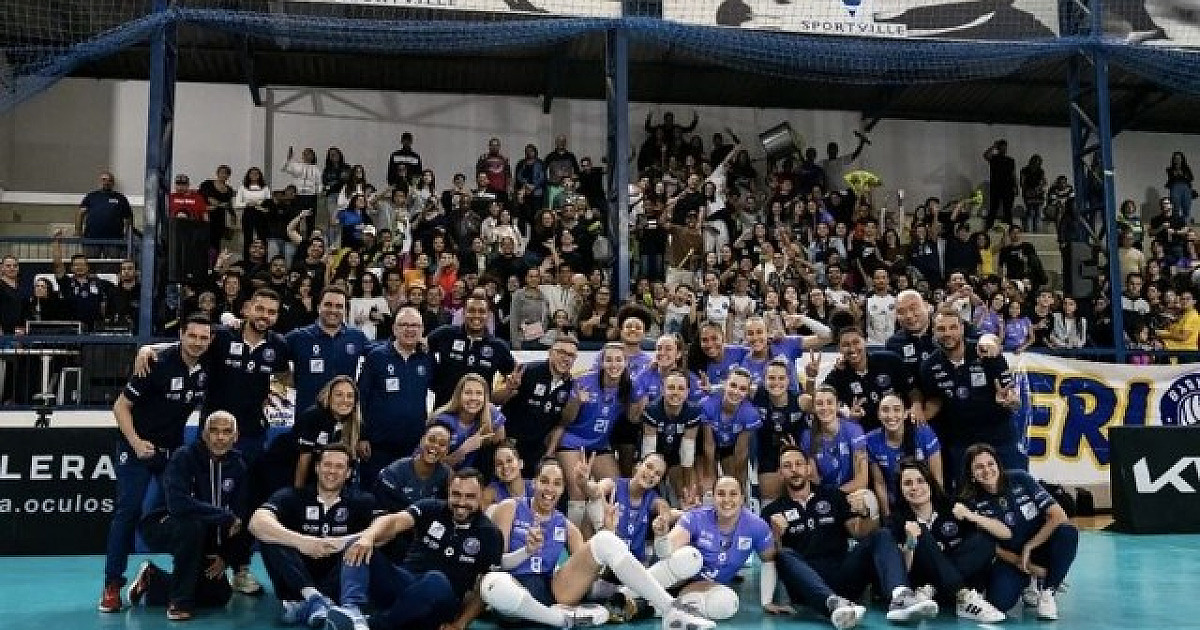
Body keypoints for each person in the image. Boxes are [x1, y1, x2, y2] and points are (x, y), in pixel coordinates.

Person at [479, 459, 714, 630]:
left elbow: (592, 573)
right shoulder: (510, 508)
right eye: (544, 481)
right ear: (534, 483)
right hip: (512, 591)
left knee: (604, 541)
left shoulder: (566, 525)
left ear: (563, 489)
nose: (550, 489)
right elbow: (499, 563)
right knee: (491, 584)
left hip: (553, 590)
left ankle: (671, 608)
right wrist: (526, 551)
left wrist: (608, 531)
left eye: (557, 483)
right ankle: (560, 620)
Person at [99, 314, 214, 614]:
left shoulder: (207, 365)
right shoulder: (156, 363)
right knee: (129, 510)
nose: (198, 342)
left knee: (181, 514)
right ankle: (112, 585)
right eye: (192, 336)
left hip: (171, 454)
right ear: (181, 335)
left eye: (204, 337)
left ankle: (172, 582)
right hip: (136, 448)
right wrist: (137, 443)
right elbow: (120, 407)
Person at [762, 446, 939, 628]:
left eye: (799, 464)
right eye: (787, 466)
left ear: (808, 468)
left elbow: (859, 532)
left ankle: (901, 597)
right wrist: (776, 535)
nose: (794, 470)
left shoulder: (832, 496)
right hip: (806, 586)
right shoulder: (771, 511)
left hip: (843, 576)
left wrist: (866, 514)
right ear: (780, 473)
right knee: (783, 554)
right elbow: (770, 559)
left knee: (882, 535)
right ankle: (833, 604)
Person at [333, 469, 504, 630]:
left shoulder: (490, 534)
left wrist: (460, 625)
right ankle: (352, 611)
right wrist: (367, 537)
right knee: (356, 543)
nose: (461, 502)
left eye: (470, 496)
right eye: (456, 494)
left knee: (435, 580)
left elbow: (485, 588)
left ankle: (375, 625)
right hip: (405, 584)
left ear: (482, 495)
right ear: (448, 492)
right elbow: (394, 520)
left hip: (442, 602)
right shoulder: (431, 508)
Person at [134, 411, 255, 621]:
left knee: (218, 595)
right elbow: (177, 504)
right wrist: (224, 516)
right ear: (204, 435)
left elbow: (241, 516)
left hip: (205, 534)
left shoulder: (239, 466)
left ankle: (152, 580)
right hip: (163, 525)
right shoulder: (184, 456)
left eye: (227, 432)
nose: (220, 437)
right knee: (192, 526)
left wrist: (225, 556)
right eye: (214, 431)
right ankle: (179, 602)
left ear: (235, 437)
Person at [249, 445, 383, 627]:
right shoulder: (292, 496)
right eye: (327, 465)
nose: (332, 471)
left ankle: (311, 605)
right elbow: (256, 522)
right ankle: (313, 599)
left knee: (369, 542)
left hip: (337, 579)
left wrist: (344, 542)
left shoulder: (363, 501)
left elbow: (386, 529)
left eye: (339, 466)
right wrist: (303, 542)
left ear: (348, 473)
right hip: (295, 581)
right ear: (317, 467)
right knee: (271, 536)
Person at [959, 443, 1079, 621]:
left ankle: (1048, 591)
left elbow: (1058, 516)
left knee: (1068, 532)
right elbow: (991, 547)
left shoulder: (1020, 479)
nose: (987, 470)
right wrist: (1024, 564)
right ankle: (1029, 582)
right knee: (999, 603)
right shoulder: (971, 501)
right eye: (979, 467)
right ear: (971, 474)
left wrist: (1030, 546)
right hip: (1011, 557)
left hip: (1041, 545)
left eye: (990, 464)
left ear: (998, 464)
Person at [889, 459, 1008, 623]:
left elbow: (1005, 533)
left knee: (986, 540)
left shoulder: (953, 506)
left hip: (933, 591)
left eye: (920, 481)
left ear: (930, 483)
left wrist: (970, 515)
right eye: (908, 483)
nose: (915, 487)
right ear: (900, 489)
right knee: (919, 531)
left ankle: (939, 590)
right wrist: (910, 541)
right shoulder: (897, 519)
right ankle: (963, 597)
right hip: (922, 583)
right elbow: (903, 569)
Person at [914, 307, 1023, 482]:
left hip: (999, 435)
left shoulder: (985, 352)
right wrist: (918, 413)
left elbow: (1013, 398)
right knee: (966, 493)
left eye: (953, 327)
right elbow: (935, 400)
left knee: (1014, 486)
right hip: (961, 442)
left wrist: (1011, 402)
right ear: (933, 331)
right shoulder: (929, 366)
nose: (947, 333)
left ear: (962, 328)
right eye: (941, 329)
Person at [551, 342, 643, 528]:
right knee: (578, 491)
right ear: (601, 362)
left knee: (616, 489)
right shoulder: (584, 381)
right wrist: (576, 402)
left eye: (618, 360)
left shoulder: (630, 386)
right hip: (573, 441)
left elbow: (632, 419)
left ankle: (605, 531)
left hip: (599, 444)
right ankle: (573, 538)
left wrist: (640, 403)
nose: (613, 364)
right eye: (609, 360)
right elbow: (566, 419)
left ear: (626, 363)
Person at [356, 307, 434, 485]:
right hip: (378, 446)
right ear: (394, 329)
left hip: (413, 446)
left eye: (415, 325)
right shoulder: (376, 357)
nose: (409, 329)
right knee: (375, 493)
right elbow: (360, 398)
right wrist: (361, 436)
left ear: (422, 330)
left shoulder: (426, 359)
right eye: (404, 324)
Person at [494, 335, 577, 478]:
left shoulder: (571, 385)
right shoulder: (527, 371)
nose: (566, 358)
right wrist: (508, 389)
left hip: (537, 450)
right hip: (509, 444)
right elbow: (494, 400)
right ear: (550, 353)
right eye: (561, 352)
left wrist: (548, 454)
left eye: (571, 355)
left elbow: (561, 425)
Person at [284, 286, 370, 417]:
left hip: (343, 418)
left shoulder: (357, 336)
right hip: (307, 417)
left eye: (339, 306)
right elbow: (272, 355)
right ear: (319, 307)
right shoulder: (298, 337)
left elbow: (381, 355)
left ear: (345, 310)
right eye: (328, 305)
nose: (333, 310)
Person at [426, 294, 516, 408]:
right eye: (471, 311)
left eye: (482, 311)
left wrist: (506, 390)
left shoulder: (498, 346)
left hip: (478, 413)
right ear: (464, 313)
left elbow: (513, 377)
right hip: (445, 411)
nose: (476, 315)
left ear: (488, 315)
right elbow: (422, 347)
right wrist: (434, 381)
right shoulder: (445, 334)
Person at [801, 386, 876, 518]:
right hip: (824, 497)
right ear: (814, 408)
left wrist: (834, 495)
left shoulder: (854, 430)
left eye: (829, 402)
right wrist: (826, 498)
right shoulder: (808, 436)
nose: (825, 408)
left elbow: (861, 480)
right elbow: (814, 480)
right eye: (819, 403)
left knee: (865, 500)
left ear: (838, 406)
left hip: (851, 493)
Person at [865, 394, 942, 518]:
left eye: (896, 409)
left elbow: (937, 478)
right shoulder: (871, 440)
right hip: (896, 504)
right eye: (885, 410)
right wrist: (888, 518)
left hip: (924, 499)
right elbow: (880, 484)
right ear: (878, 414)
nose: (891, 415)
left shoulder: (924, 433)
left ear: (906, 413)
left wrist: (936, 512)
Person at [822, 326, 908, 432]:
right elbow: (818, 399)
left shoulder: (889, 360)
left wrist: (916, 405)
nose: (852, 349)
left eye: (856, 342)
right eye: (846, 345)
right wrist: (850, 417)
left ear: (865, 342)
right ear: (839, 349)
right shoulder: (837, 375)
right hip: (864, 434)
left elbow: (911, 390)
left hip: (898, 428)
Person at [751, 358, 811, 503]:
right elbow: (730, 389)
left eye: (781, 378)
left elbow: (822, 407)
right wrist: (711, 389)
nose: (776, 382)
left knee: (803, 487)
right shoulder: (755, 394)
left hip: (797, 452)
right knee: (769, 495)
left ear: (789, 380)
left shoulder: (801, 401)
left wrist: (811, 378)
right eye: (771, 378)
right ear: (764, 380)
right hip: (768, 453)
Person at [641, 368, 703, 499]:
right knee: (645, 486)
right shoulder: (652, 410)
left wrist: (687, 484)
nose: (675, 392)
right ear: (662, 389)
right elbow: (648, 451)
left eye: (681, 388)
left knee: (688, 492)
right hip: (655, 454)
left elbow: (687, 452)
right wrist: (652, 475)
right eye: (671, 387)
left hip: (676, 457)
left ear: (687, 392)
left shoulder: (693, 411)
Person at [698, 367, 761, 493]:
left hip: (730, 448)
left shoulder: (750, 414)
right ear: (725, 384)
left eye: (742, 389)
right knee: (707, 484)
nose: (736, 392)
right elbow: (708, 445)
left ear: (748, 392)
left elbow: (741, 452)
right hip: (706, 446)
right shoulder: (708, 404)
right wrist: (710, 476)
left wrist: (736, 482)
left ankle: (745, 498)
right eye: (733, 385)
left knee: (735, 484)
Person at [431, 373, 507, 470]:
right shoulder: (442, 422)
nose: (473, 398)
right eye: (468, 392)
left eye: (479, 393)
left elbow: (502, 449)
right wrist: (464, 450)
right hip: (448, 476)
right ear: (459, 395)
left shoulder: (492, 414)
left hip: (476, 476)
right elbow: (432, 467)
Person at [373, 423, 453, 514]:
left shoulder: (447, 475)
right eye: (431, 440)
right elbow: (381, 511)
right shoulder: (394, 472)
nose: (435, 446)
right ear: (422, 441)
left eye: (442, 444)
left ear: (447, 451)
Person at [77, 170, 133, 257]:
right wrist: (78, 231)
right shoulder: (91, 196)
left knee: (113, 263)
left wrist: (127, 235)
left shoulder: (121, 198)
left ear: (113, 183)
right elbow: (80, 214)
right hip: (91, 239)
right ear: (99, 181)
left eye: (109, 180)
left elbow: (129, 218)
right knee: (91, 263)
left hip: (115, 240)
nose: (106, 182)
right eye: (104, 179)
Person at [482, 442, 533, 516]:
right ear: (495, 471)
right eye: (499, 464)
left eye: (509, 460)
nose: (505, 466)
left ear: (520, 464)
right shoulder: (491, 491)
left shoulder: (535, 487)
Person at [983, 140, 1016, 230]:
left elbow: (1013, 174)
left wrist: (1015, 186)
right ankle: (988, 228)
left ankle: (1010, 229)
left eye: (1005, 147)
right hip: (996, 187)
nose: (1004, 149)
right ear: (998, 148)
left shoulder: (1010, 160)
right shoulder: (994, 158)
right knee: (993, 208)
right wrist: (993, 146)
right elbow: (985, 155)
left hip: (1008, 187)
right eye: (1002, 147)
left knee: (1008, 209)